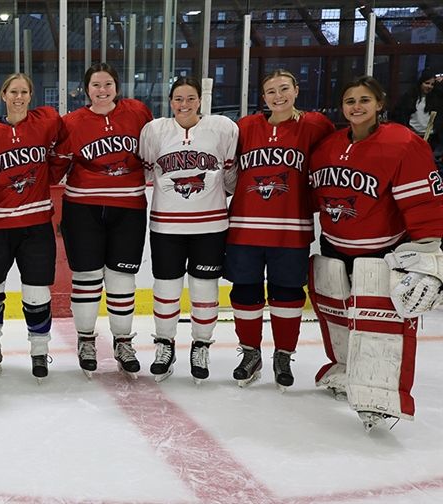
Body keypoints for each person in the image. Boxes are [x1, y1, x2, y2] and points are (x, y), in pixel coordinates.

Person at [308, 75, 443, 432]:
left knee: (381, 327)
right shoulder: (328, 147)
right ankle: (345, 369)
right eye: (350, 100)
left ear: (380, 104)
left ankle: (381, 396)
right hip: (334, 247)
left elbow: (424, 204)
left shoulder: (403, 144)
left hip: (383, 252)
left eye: (364, 100)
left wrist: (429, 253)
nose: (356, 106)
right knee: (337, 316)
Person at [226, 69, 334, 390]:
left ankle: (283, 355)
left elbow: (335, 159)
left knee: (287, 294)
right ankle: (250, 354)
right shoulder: (246, 127)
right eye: (271, 91)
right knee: (245, 292)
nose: (278, 96)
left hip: (291, 229)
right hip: (245, 227)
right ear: (263, 97)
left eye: (284, 89)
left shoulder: (314, 126)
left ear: (296, 90)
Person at [52, 63, 153, 379]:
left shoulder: (137, 112)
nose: (102, 90)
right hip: (84, 210)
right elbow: (57, 169)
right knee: (87, 277)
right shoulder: (71, 123)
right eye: (96, 85)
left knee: (122, 278)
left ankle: (123, 341)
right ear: (86, 89)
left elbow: (152, 154)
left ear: (117, 86)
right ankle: (86, 340)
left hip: (129, 208)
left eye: (108, 83)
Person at [139, 76, 239, 384]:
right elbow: (146, 171)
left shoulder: (222, 128)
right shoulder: (154, 131)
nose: (185, 104)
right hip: (166, 225)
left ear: (200, 100)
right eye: (179, 98)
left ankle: (201, 345)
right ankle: (164, 345)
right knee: (166, 290)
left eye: (190, 98)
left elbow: (231, 175)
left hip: (210, 225)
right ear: (170, 101)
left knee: (204, 289)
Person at [0, 73, 62, 382]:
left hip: (36, 226)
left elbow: (63, 147)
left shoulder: (46, 122)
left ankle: (39, 351)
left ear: (31, 95)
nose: (19, 97)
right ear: (3, 95)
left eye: (24, 91)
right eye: (14, 91)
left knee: (36, 293)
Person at [390, 68, 443, 164]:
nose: (429, 86)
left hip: (431, 138)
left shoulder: (437, 98)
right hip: (413, 136)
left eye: (432, 84)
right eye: (427, 83)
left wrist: (440, 83)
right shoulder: (409, 97)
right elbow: (398, 115)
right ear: (420, 83)